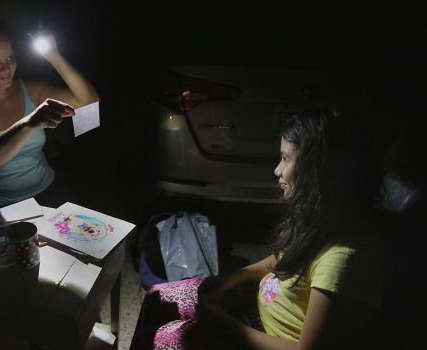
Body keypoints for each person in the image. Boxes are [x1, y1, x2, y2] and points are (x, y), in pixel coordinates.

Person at [130, 108, 386, 350]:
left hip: (265, 336)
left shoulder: (343, 259)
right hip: (254, 308)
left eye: (285, 159)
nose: (277, 170)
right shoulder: (321, 219)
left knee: (167, 340)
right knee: (158, 299)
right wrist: (231, 278)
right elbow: (282, 261)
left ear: (317, 171)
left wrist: (228, 327)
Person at [0, 16, 99, 238]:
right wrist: (30, 123)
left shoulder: (29, 89)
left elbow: (88, 102)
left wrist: (53, 55)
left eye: (10, 58)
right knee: (2, 262)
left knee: (77, 242)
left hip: (45, 190)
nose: (6, 69)